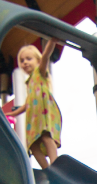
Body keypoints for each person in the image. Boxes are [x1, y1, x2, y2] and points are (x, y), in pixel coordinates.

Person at [7, 38, 62, 169]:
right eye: (22, 61)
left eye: (28, 59)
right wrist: (12, 113)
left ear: (37, 60)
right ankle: (46, 169)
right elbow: (27, 104)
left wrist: (52, 41)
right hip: (33, 117)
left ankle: (54, 165)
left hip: (43, 112)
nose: (25, 62)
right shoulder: (29, 83)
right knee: (33, 144)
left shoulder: (40, 72)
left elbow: (46, 56)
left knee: (45, 136)